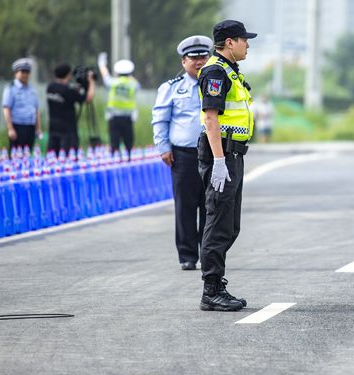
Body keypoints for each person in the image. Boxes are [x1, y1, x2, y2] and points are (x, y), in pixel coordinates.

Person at [197, 20, 257, 312]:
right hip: (221, 154)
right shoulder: (215, 71)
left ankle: (216, 284)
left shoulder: (230, 72)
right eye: (245, 39)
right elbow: (211, 118)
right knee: (219, 222)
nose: (248, 44)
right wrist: (219, 161)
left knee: (230, 225)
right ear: (230, 42)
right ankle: (210, 290)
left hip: (233, 155)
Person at [152, 35, 214, 271]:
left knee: (211, 206)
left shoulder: (217, 83)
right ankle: (188, 256)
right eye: (194, 57)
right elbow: (160, 119)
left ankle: (209, 253)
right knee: (185, 207)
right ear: (183, 61)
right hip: (184, 155)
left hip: (211, 153)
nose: (199, 61)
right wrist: (163, 148)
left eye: (203, 56)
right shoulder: (170, 88)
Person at [46, 63, 96, 153]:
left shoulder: (50, 87)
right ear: (68, 74)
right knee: (68, 155)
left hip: (53, 128)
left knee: (53, 155)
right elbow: (88, 98)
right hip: (67, 130)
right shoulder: (69, 90)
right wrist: (91, 82)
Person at [98, 55, 140, 158]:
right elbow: (138, 85)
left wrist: (102, 65)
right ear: (130, 72)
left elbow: (105, 75)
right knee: (128, 142)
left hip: (113, 118)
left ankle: (114, 160)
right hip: (127, 118)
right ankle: (128, 160)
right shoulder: (133, 84)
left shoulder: (113, 82)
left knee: (114, 142)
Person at [2, 58, 42, 155]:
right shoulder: (11, 88)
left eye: (27, 72)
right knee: (16, 156)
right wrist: (10, 129)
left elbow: (36, 110)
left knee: (27, 155)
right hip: (17, 126)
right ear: (16, 73)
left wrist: (38, 128)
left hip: (30, 127)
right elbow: (6, 109)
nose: (25, 74)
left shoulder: (32, 90)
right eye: (23, 71)